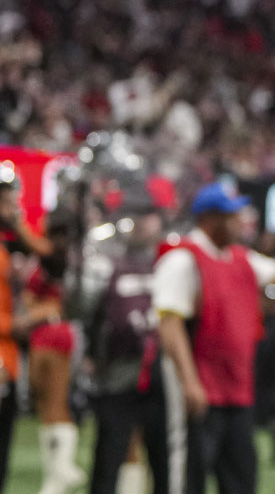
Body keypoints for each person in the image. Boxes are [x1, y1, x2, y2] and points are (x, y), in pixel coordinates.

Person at [153, 180, 275, 494]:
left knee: (241, 474)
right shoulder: (183, 260)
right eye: (231, 215)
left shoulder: (240, 258)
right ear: (210, 219)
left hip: (236, 388)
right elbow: (171, 326)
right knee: (189, 476)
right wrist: (189, 381)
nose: (239, 221)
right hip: (200, 388)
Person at [77, 207, 169, 494]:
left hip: (160, 371)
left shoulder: (170, 263)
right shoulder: (106, 263)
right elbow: (88, 313)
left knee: (163, 456)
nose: (141, 225)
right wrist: (91, 353)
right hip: (118, 368)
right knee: (110, 450)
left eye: (147, 217)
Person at [0, 176, 51, 493]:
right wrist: (11, 325)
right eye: (6, 201)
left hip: (9, 356)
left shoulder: (10, 243)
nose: (13, 208)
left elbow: (46, 252)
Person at [26, 215, 83, 494]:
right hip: (41, 334)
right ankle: (55, 471)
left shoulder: (63, 257)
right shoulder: (47, 260)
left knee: (56, 401)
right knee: (44, 402)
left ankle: (62, 470)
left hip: (56, 332)